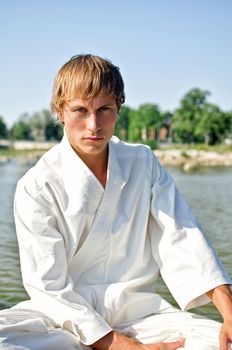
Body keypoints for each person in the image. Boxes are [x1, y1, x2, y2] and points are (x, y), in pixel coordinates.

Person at [0, 54, 231, 350]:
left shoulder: (143, 163)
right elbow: (48, 287)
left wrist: (228, 311)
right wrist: (122, 346)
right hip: (61, 321)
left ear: (118, 107)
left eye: (104, 109)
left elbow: (182, 237)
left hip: (141, 315)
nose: (93, 124)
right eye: (80, 110)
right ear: (59, 111)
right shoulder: (37, 185)